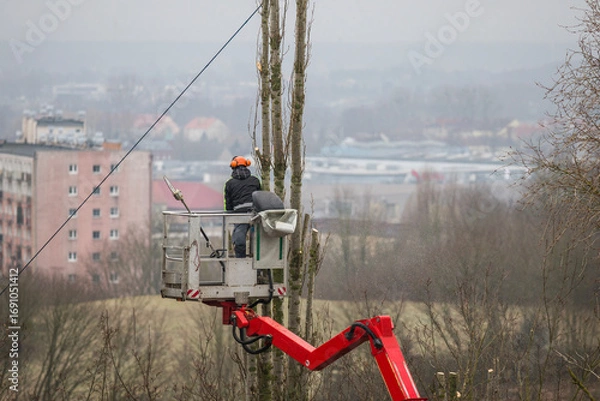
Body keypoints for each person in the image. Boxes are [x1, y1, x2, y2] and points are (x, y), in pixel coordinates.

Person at [224, 156, 261, 257]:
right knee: (258, 238)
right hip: (255, 214)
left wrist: (230, 214)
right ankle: (259, 263)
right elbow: (260, 197)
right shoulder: (255, 180)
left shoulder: (229, 184)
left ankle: (241, 259)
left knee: (239, 237)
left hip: (240, 214)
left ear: (233, 167)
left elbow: (228, 205)